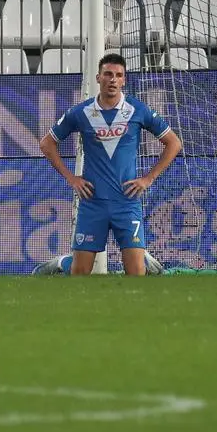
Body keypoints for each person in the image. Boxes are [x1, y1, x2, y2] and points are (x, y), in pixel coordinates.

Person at [32, 53, 182, 277]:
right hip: (93, 202)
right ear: (98, 78)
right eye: (108, 74)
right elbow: (47, 144)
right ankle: (64, 262)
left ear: (124, 81)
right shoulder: (81, 112)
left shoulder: (137, 110)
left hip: (127, 201)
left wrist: (148, 178)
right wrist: (71, 178)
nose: (113, 79)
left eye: (118, 75)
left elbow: (174, 143)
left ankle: (141, 259)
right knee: (80, 273)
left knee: (136, 275)